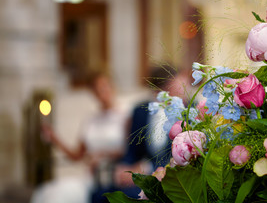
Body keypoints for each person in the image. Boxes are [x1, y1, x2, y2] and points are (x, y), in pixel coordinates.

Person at [31, 72, 130, 203]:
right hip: (90, 178)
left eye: (104, 87)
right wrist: (54, 138)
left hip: (112, 177)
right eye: (96, 89)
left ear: (112, 87)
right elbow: (76, 155)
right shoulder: (91, 120)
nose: (101, 92)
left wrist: (102, 155)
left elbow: (130, 151)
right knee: (46, 192)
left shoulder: (126, 116)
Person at [109, 65, 193, 198]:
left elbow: (184, 155)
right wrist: (123, 168)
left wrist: (146, 169)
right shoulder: (141, 110)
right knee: (105, 193)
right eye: (178, 83)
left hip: (175, 179)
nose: (184, 87)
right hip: (140, 178)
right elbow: (132, 150)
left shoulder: (192, 111)